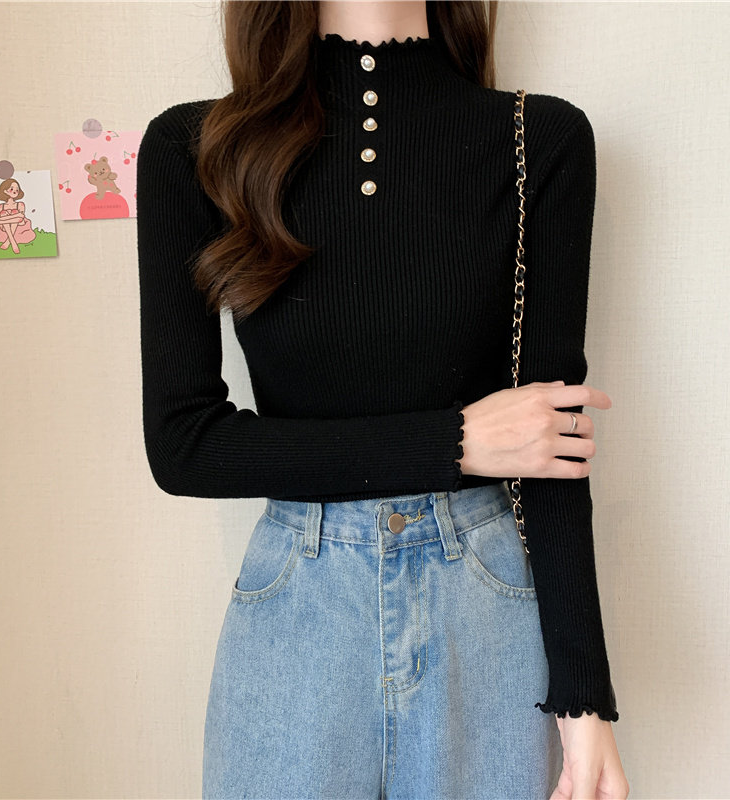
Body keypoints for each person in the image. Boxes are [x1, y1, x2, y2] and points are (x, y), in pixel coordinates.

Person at [135, 1, 630, 798]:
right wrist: (453, 441)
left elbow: (549, 446)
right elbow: (185, 444)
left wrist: (584, 696)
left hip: (484, 610)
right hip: (299, 613)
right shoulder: (197, 148)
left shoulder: (538, 140)